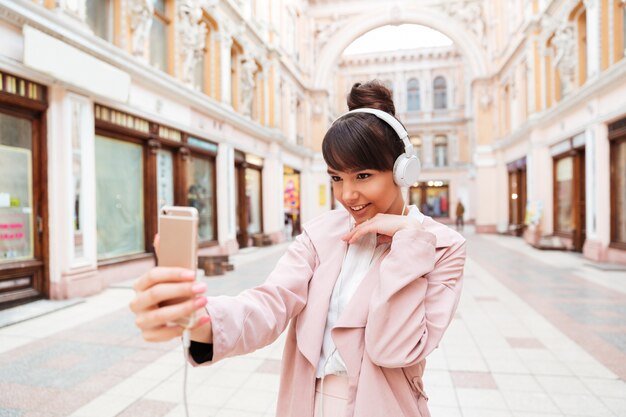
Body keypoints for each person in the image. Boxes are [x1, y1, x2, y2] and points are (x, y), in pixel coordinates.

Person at [129, 81, 466, 417]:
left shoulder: (442, 248)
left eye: (362, 176)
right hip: (306, 404)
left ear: (402, 172)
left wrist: (408, 240)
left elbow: (395, 349)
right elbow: (271, 303)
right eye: (337, 178)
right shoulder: (322, 234)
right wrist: (198, 318)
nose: (347, 194)